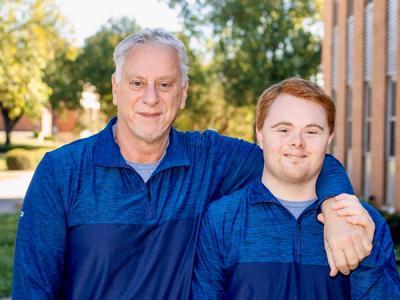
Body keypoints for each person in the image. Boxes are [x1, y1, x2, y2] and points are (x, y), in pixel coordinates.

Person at [13, 29, 373, 299]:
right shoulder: (61, 171)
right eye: (137, 83)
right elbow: (34, 288)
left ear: (183, 93)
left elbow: (300, 156)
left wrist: (337, 208)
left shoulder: (211, 159)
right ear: (115, 88)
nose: (150, 98)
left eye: (165, 84)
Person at [192, 78, 400, 299]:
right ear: (260, 134)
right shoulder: (220, 220)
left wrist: (363, 255)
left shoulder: (364, 222)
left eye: (311, 131)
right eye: (283, 129)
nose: (297, 142)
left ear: (329, 137)